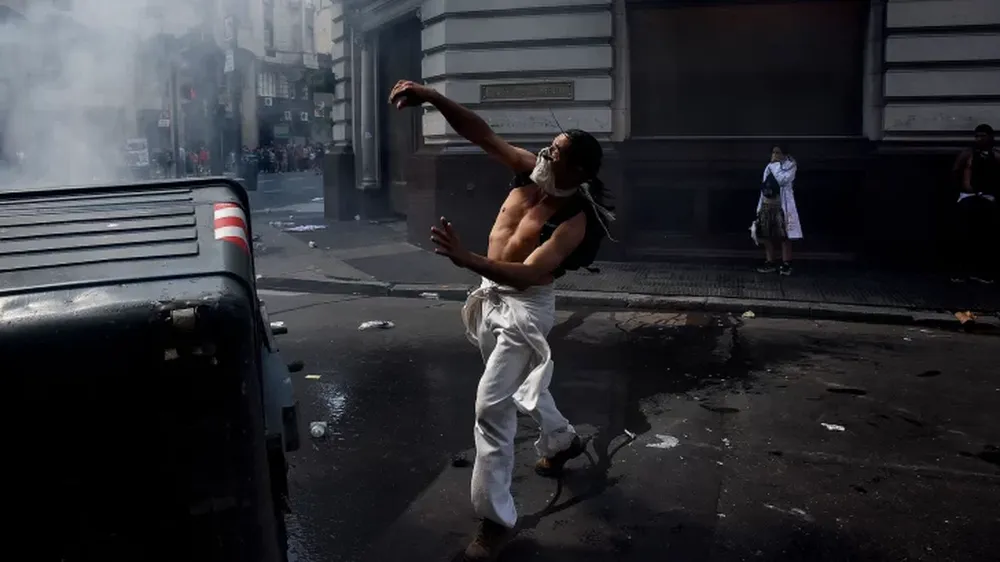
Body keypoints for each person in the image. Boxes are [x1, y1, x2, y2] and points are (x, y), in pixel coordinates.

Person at [388, 79, 615, 561]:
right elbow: (481, 134)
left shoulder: (575, 218)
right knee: (519, 386)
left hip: (526, 311)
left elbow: (531, 272)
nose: (544, 155)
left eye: (555, 153)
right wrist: (432, 96)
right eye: (549, 149)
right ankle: (563, 440)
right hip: (491, 299)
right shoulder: (530, 172)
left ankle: (494, 519)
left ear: (577, 170)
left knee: (491, 406)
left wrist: (466, 259)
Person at [950, 123, 998, 284]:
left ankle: (980, 271)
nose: (978, 139)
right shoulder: (967, 154)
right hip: (969, 196)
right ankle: (961, 271)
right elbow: (956, 173)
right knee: (964, 234)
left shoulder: (995, 155)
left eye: (982, 136)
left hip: (987, 197)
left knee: (985, 235)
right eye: (977, 136)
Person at [755, 145, 802, 276]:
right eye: (773, 152)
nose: (775, 154)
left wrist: (775, 165)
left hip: (782, 204)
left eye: (778, 152)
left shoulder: (790, 165)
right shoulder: (769, 166)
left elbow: (782, 180)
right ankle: (770, 261)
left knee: (784, 235)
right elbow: (764, 185)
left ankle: (786, 263)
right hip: (768, 203)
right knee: (765, 234)